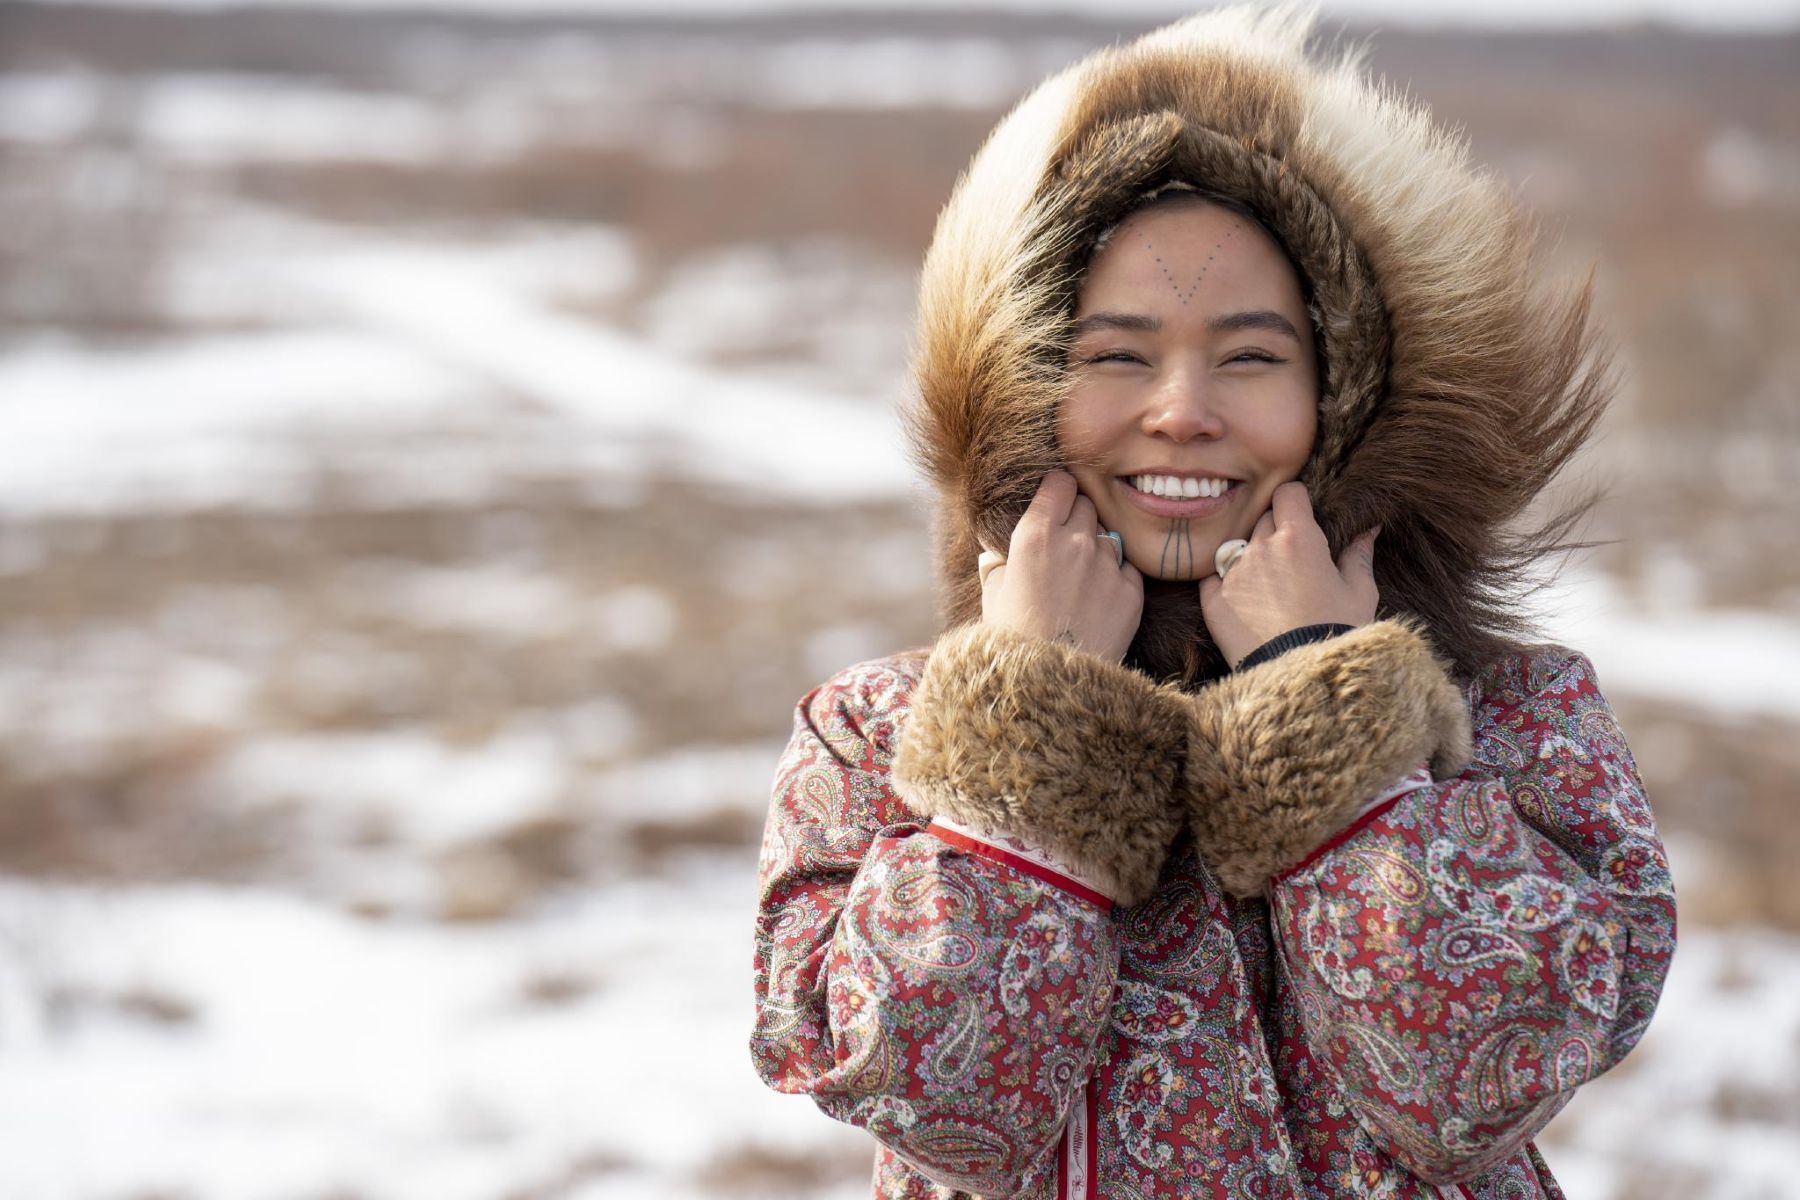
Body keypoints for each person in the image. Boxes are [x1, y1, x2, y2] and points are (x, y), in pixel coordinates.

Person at [749, 7, 1677, 1197]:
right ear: (1018, 389)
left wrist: (1331, 714)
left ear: (1350, 400)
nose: (1183, 410)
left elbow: (1483, 1079)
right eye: (1116, 356)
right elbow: (936, 1104)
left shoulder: (1508, 725)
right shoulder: (876, 740)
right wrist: (1033, 733)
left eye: (1250, 357)